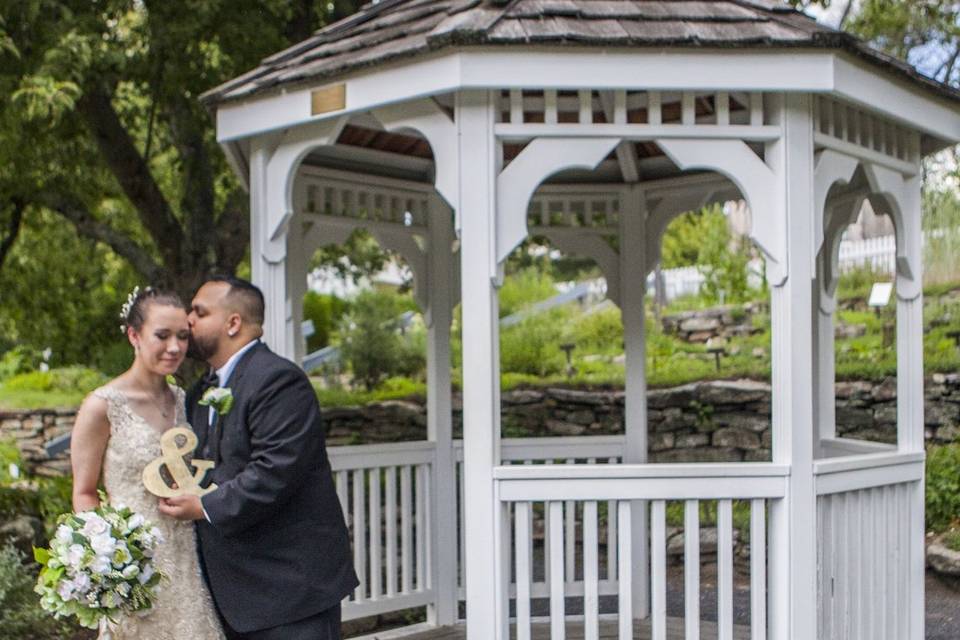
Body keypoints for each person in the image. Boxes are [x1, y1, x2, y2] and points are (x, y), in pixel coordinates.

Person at [159, 275, 358, 640]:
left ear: (233, 323)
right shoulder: (202, 391)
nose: (188, 320)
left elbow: (275, 472)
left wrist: (203, 506)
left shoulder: (279, 381)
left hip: (290, 589)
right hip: (236, 589)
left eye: (199, 312)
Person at [71, 287, 224, 639]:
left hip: (188, 561)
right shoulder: (101, 407)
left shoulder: (188, 401)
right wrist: (107, 562)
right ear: (133, 335)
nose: (175, 347)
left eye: (183, 336)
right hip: (135, 569)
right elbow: (83, 492)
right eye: (162, 335)